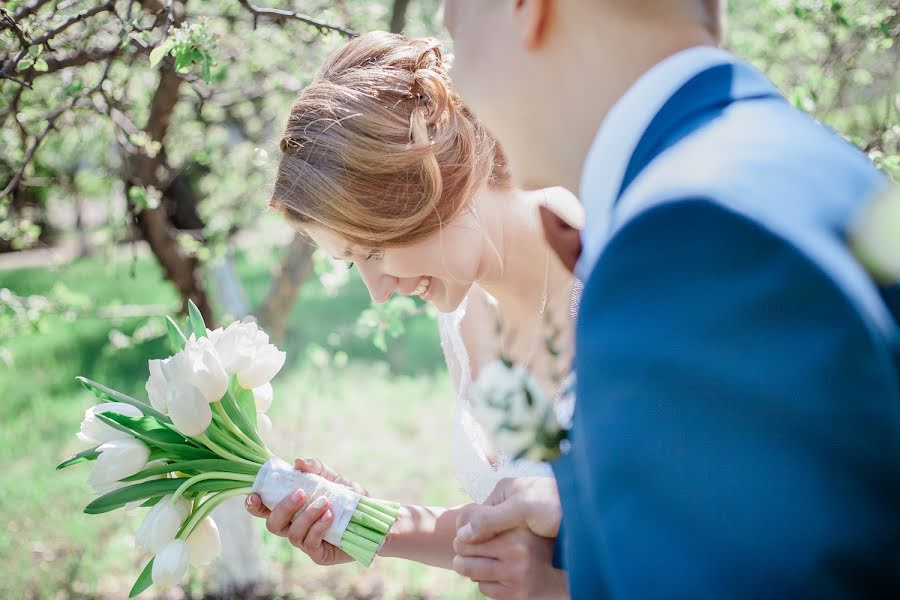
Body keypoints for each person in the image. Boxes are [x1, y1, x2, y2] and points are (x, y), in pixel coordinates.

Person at [444, 0, 900, 597]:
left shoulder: (690, 233)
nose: (453, 82)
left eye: (456, 32)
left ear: (527, 9)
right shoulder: (799, 158)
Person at [244, 31, 577, 598]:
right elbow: (509, 528)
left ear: (440, 185)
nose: (378, 291)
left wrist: (570, 576)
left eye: (373, 251)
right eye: (354, 265)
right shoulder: (463, 315)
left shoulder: (607, 277)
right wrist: (364, 522)